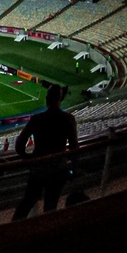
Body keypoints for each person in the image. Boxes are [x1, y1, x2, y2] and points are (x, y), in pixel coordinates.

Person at [12, 84, 79, 220]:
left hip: (39, 168)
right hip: (58, 168)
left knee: (27, 202)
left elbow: (19, 144)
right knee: (50, 205)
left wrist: (28, 159)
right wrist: (73, 168)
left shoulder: (37, 119)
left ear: (47, 99)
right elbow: (74, 148)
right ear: (60, 100)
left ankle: (12, 231)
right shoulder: (68, 119)